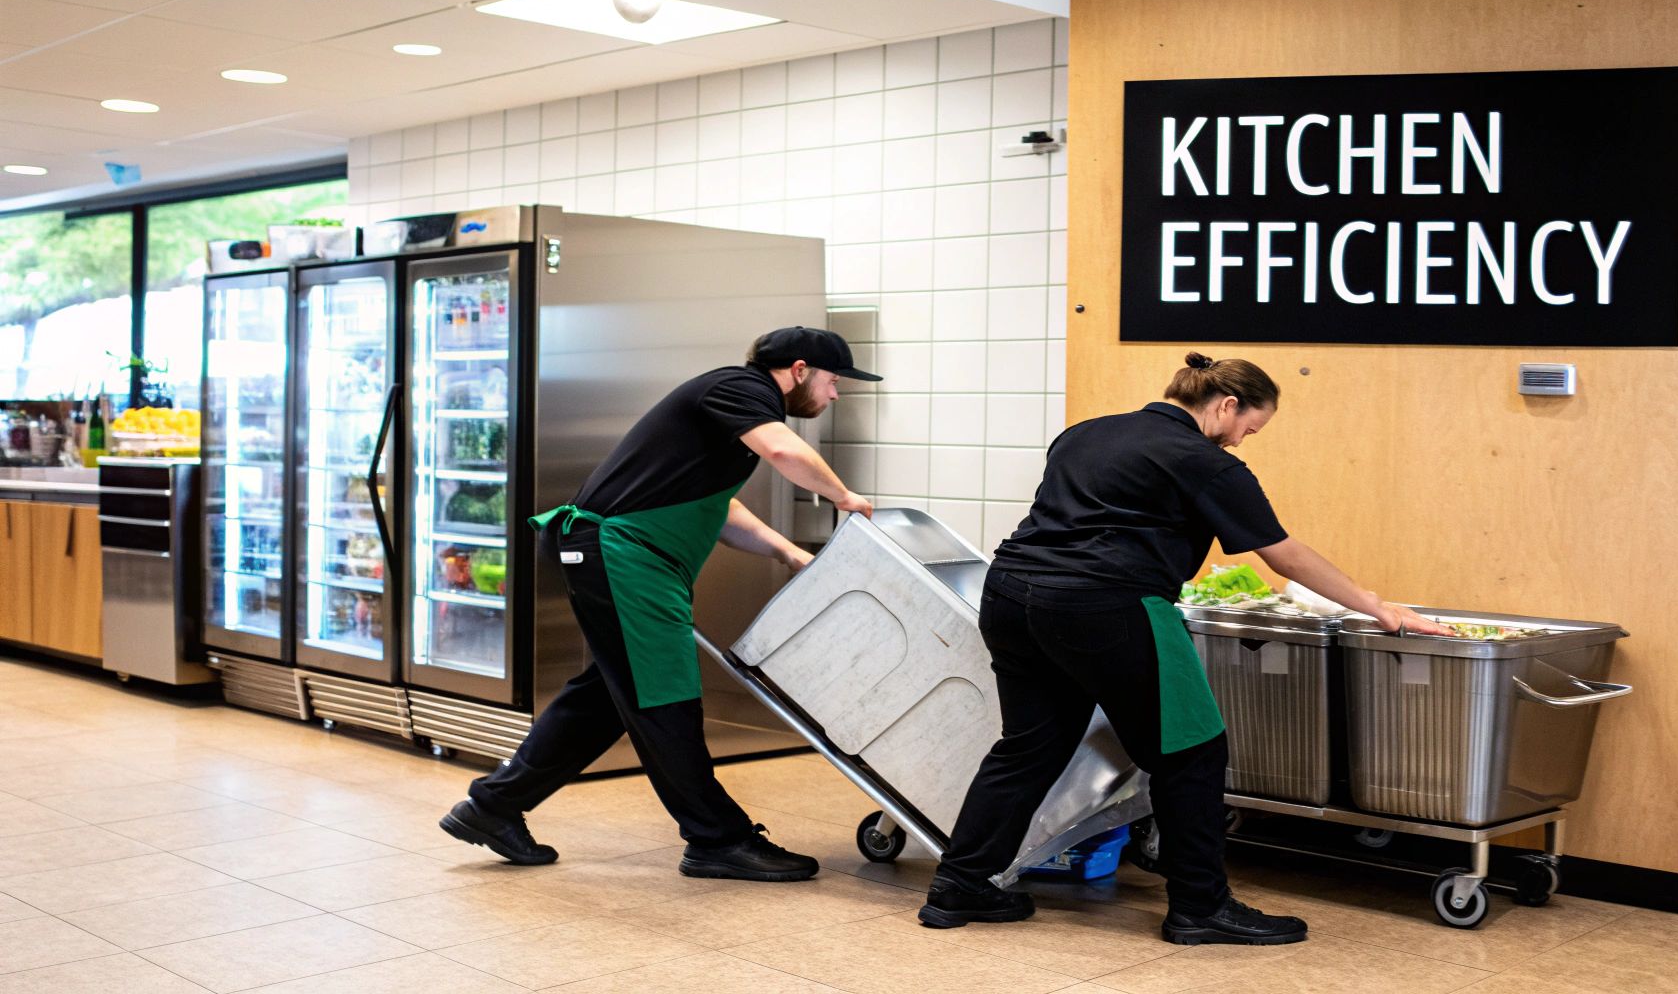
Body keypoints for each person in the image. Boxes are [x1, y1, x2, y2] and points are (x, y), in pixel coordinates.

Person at [918, 352, 1449, 944]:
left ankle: (960, 884)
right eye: (1250, 428)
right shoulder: (1205, 462)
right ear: (1226, 406)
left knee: (1030, 746)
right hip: (1108, 605)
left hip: (1013, 593)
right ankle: (1201, 905)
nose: (1245, 442)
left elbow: (1099, 518)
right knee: (1191, 751)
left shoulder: (1085, 433)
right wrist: (1376, 606)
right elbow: (1282, 553)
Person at [441, 326, 880, 882]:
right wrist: (844, 498)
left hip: (629, 558)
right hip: (622, 555)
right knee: (665, 695)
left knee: (606, 696)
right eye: (832, 381)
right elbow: (780, 450)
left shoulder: (734, 408)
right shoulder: (742, 390)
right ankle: (716, 838)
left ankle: (493, 807)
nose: (834, 394)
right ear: (798, 370)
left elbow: (717, 508)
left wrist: (792, 555)